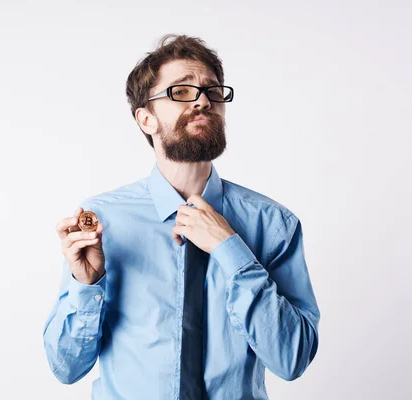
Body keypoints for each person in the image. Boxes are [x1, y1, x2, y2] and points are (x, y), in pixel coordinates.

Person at [43, 34, 321, 400]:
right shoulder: (103, 221)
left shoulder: (272, 224)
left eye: (212, 91)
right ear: (146, 119)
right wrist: (86, 283)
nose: (204, 101)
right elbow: (66, 368)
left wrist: (231, 250)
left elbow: (293, 359)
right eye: (181, 92)